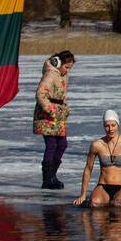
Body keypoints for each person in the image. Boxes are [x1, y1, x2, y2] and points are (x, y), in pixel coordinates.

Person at [73, 110, 121, 207]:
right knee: (94, 203)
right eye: (107, 126)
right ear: (104, 126)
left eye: (113, 125)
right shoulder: (97, 145)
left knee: (119, 205)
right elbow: (88, 169)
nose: (110, 129)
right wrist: (83, 195)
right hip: (103, 186)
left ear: (118, 125)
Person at [34, 50, 75, 190]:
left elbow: (62, 95)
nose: (68, 70)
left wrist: (65, 109)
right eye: (66, 67)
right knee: (51, 145)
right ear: (59, 63)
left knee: (62, 144)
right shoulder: (51, 74)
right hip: (48, 115)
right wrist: (50, 109)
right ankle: (47, 179)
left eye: (70, 68)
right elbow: (40, 94)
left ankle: (53, 175)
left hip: (58, 115)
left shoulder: (63, 75)